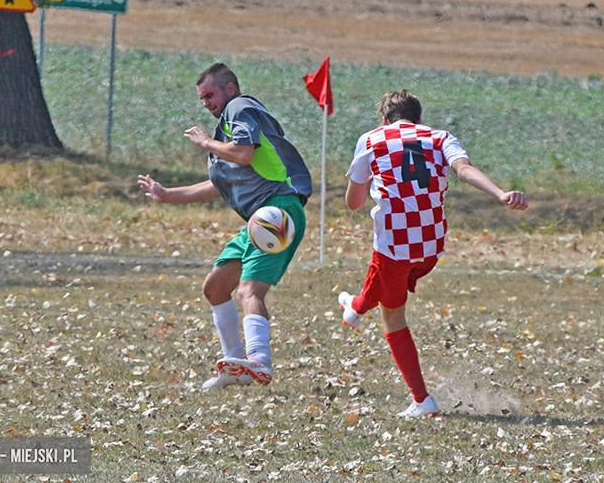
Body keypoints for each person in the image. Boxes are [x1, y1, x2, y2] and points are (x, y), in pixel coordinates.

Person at [338, 90, 528, 417]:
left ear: (384, 119)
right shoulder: (440, 137)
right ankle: (354, 308)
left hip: (395, 246)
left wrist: (367, 179)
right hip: (431, 246)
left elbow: (353, 203)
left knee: (392, 314)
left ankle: (422, 401)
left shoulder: (370, 140)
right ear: (420, 118)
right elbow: (464, 170)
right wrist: (500, 194)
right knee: (383, 285)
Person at [138, 63, 312, 389]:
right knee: (215, 287)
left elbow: (243, 154)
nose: (206, 103)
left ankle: (259, 360)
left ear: (230, 88)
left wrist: (206, 143)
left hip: (278, 211)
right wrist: (167, 194)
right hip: (261, 217)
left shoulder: (239, 108)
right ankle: (235, 367)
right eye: (202, 98)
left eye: (210, 95)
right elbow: (220, 184)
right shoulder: (226, 132)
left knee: (249, 291)